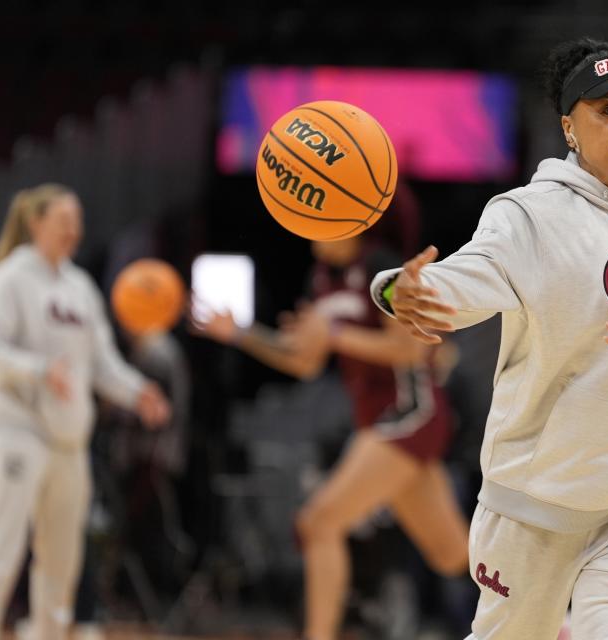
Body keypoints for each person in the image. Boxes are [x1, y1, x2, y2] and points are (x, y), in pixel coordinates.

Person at [370, 37, 608, 639]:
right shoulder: (528, 216)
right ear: (569, 127)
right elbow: (460, 281)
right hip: (531, 505)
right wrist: (402, 291)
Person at [191, 200, 470, 640]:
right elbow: (303, 361)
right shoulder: (322, 280)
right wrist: (241, 334)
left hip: (410, 414)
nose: (307, 229)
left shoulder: (383, 267)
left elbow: (409, 350)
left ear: (349, 226)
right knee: (454, 555)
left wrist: (335, 334)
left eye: (317, 221)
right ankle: (556, 619)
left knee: (318, 522)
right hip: (382, 422)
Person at [0, 183, 171, 640]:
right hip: (19, 429)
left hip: (69, 440)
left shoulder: (80, 286)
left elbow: (101, 362)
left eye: (78, 221)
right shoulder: (10, 277)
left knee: (62, 559)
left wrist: (138, 392)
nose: (73, 230)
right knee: (2, 548)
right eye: (63, 220)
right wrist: (38, 369)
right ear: (37, 223)